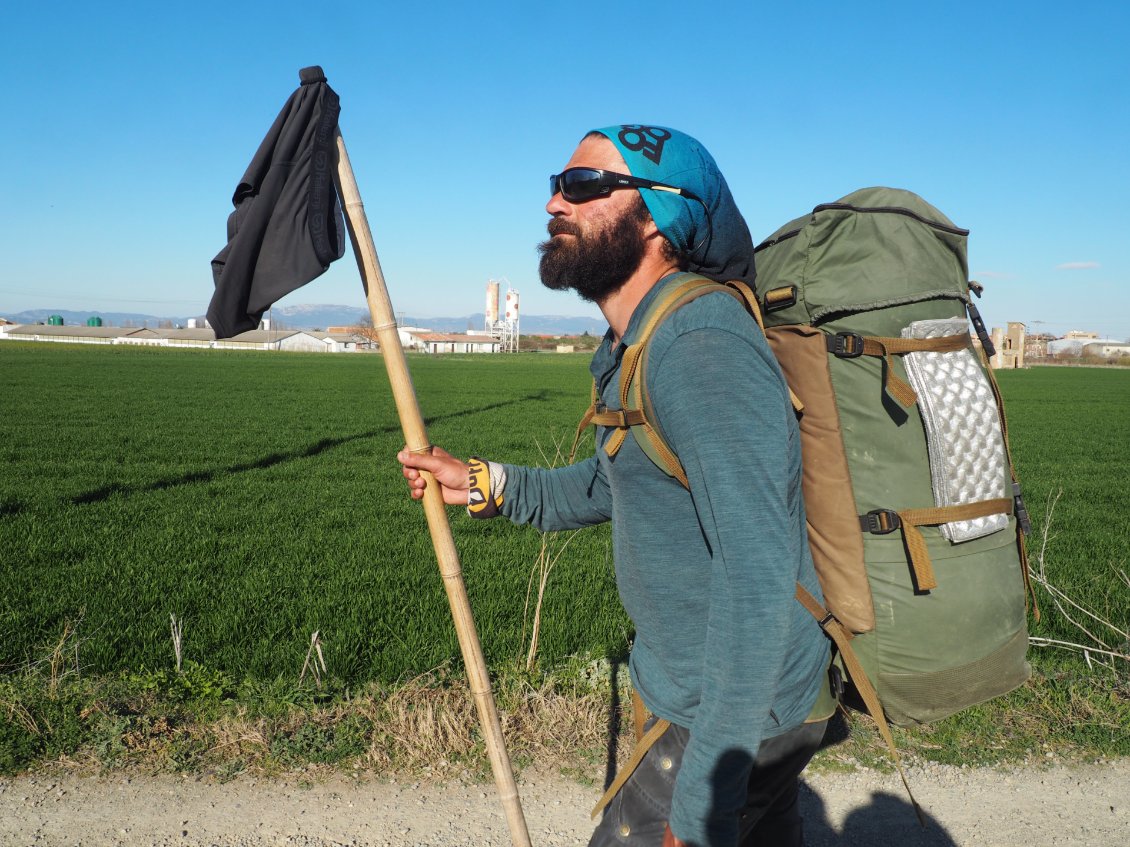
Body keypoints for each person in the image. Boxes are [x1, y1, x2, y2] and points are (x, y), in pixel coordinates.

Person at [398, 125, 832, 847]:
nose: (553, 204)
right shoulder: (637, 340)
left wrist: (700, 814)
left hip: (731, 718)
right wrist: (483, 482)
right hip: (712, 701)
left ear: (662, 215)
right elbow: (615, 482)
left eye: (583, 186)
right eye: (555, 184)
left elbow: (756, 579)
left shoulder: (700, 347)